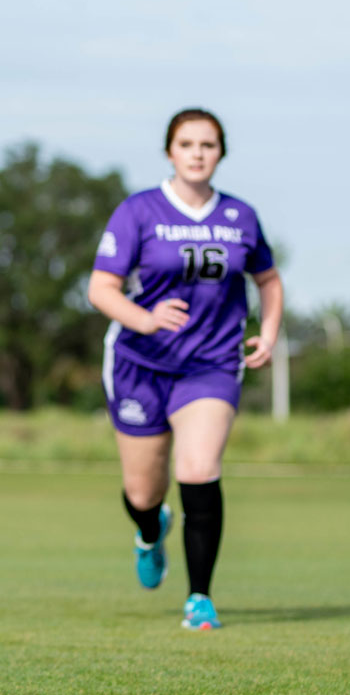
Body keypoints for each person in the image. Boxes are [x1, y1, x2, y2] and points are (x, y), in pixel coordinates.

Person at [87, 108, 282, 633]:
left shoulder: (241, 216)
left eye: (208, 145)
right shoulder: (139, 211)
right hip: (139, 365)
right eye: (187, 144)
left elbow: (268, 279)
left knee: (197, 470)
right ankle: (150, 532)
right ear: (170, 151)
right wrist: (145, 319)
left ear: (220, 153)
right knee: (143, 494)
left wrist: (269, 330)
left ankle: (200, 598)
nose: (198, 153)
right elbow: (101, 288)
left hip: (211, 365)